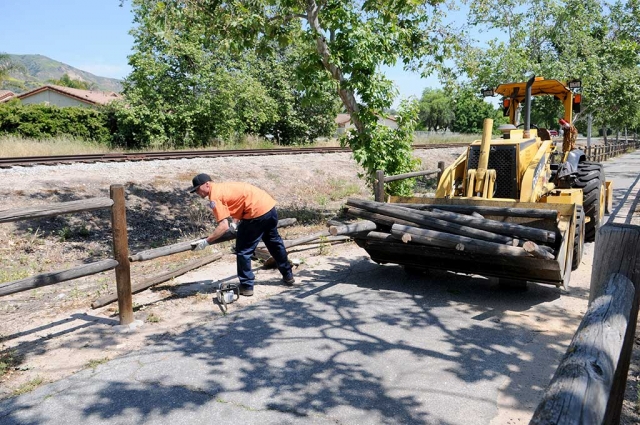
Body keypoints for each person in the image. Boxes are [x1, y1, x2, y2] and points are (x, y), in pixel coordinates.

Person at [188, 173, 295, 296]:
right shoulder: (224, 187)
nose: (197, 192)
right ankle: (288, 276)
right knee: (274, 243)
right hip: (269, 208)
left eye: (197, 189)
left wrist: (207, 241)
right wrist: (235, 222)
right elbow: (239, 202)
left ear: (207, 184)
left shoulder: (214, 197)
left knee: (243, 251)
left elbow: (223, 226)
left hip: (256, 214)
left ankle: (246, 286)